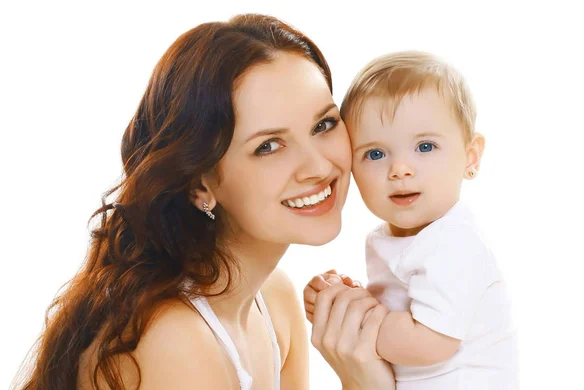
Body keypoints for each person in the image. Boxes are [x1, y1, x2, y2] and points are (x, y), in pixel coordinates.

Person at [14, 14, 395, 390]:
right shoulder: (176, 339)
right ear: (200, 185)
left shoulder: (274, 301)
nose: (318, 166)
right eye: (268, 146)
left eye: (323, 124)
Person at [305, 52, 518, 389]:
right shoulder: (391, 238)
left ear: (470, 156)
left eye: (425, 146)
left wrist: (359, 318)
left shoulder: (453, 242)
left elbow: (430, 341)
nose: (400, 169)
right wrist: (345, 299)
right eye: (375, 153)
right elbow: (404, 316)